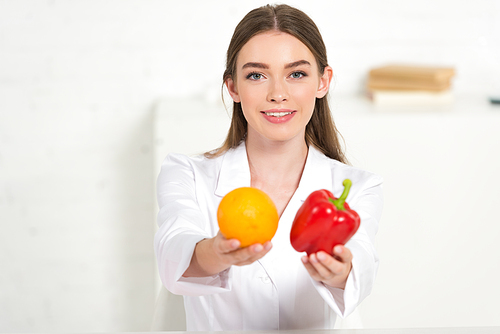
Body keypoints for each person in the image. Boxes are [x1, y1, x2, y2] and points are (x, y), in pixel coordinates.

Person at [154, 4, 383, 331]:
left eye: (297, 74)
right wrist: (217, 254)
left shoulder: (358, 187)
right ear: (233, 87)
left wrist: (342, 272)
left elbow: (361, 262)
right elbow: (172, 251)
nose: (278, 93)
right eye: (256, 75)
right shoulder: (187, 174)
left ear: (323, 81)